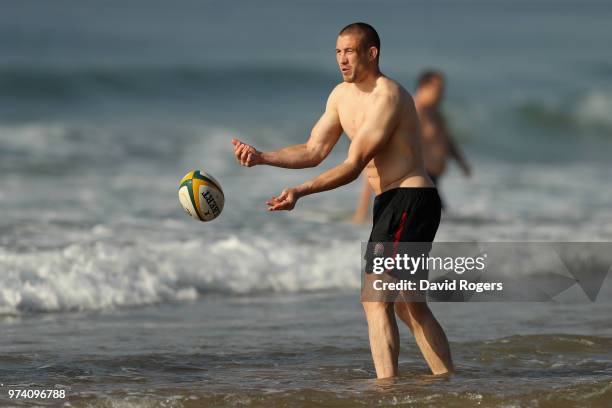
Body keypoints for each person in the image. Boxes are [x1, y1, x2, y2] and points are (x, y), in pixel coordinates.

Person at [231, 22, 453, 379]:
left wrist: (301, 191)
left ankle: (387, 389)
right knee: (408, 307)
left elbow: (353, 166)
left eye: (349, 51)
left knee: (375, 299)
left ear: (371, 53)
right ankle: (447, 380)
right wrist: (262, 157)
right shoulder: (340, 96)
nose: (342, 60)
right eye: (337, 52)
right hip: (394, 202)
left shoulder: (388, 96)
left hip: (410, 199)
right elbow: (314, 149)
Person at [351, 69, 471, 223]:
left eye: (442, 89)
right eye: (438, 89)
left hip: (432, 180)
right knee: (433, 223)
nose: (442, 93)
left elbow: (447, 141)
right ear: (423, 87)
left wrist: (461, 162)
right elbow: (378, 150)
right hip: (415, 180)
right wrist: (362, 207)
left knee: (439, 223)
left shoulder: (435, 113)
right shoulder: (412, 111)